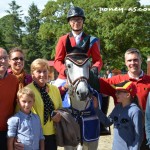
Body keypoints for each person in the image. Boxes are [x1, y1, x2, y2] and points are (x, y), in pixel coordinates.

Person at [100, 48, 150, 149]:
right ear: (125, 63)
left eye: (135, 59)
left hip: (145, 135)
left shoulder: (149, 81)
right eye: (129, 60)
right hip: (124, 136)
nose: (133, 63)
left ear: (141, 60)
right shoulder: (116, 81)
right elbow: (96, 83)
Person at [53, 6, 103, 87]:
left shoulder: (91, 40)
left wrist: (94, 69)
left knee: (101, 92)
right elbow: (57, 61)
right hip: (66, 77)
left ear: (83, 21)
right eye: (73, 20)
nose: (76, 22)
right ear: (69, 22)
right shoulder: (62, 39)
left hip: (85, 76)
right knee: (53, 94)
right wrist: (65, 70)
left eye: (79, 19)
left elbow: (98, 60)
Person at [94, 81, 143, 150]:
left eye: (119, 92)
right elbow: (107, 122)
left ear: (128, 95)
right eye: (116, 92)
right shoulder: (117, 108)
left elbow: (139, 136)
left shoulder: (135, 111)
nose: (116, 94)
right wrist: (96, 108)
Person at [27, 58, 62, 150]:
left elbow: (60, 109)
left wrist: (59, 115)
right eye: (39, 71)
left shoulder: (55, 89)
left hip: (52, 134)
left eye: (45, 71)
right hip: (34, 135)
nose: (42, 74)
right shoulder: (27, 90)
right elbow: (20, 114)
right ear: (32, 74)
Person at [0, 48, 19, 150]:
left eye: (5, 58)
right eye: (0, 58)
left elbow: (15, 105)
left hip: (7, 132)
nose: (3, 61)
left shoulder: (14, 80)